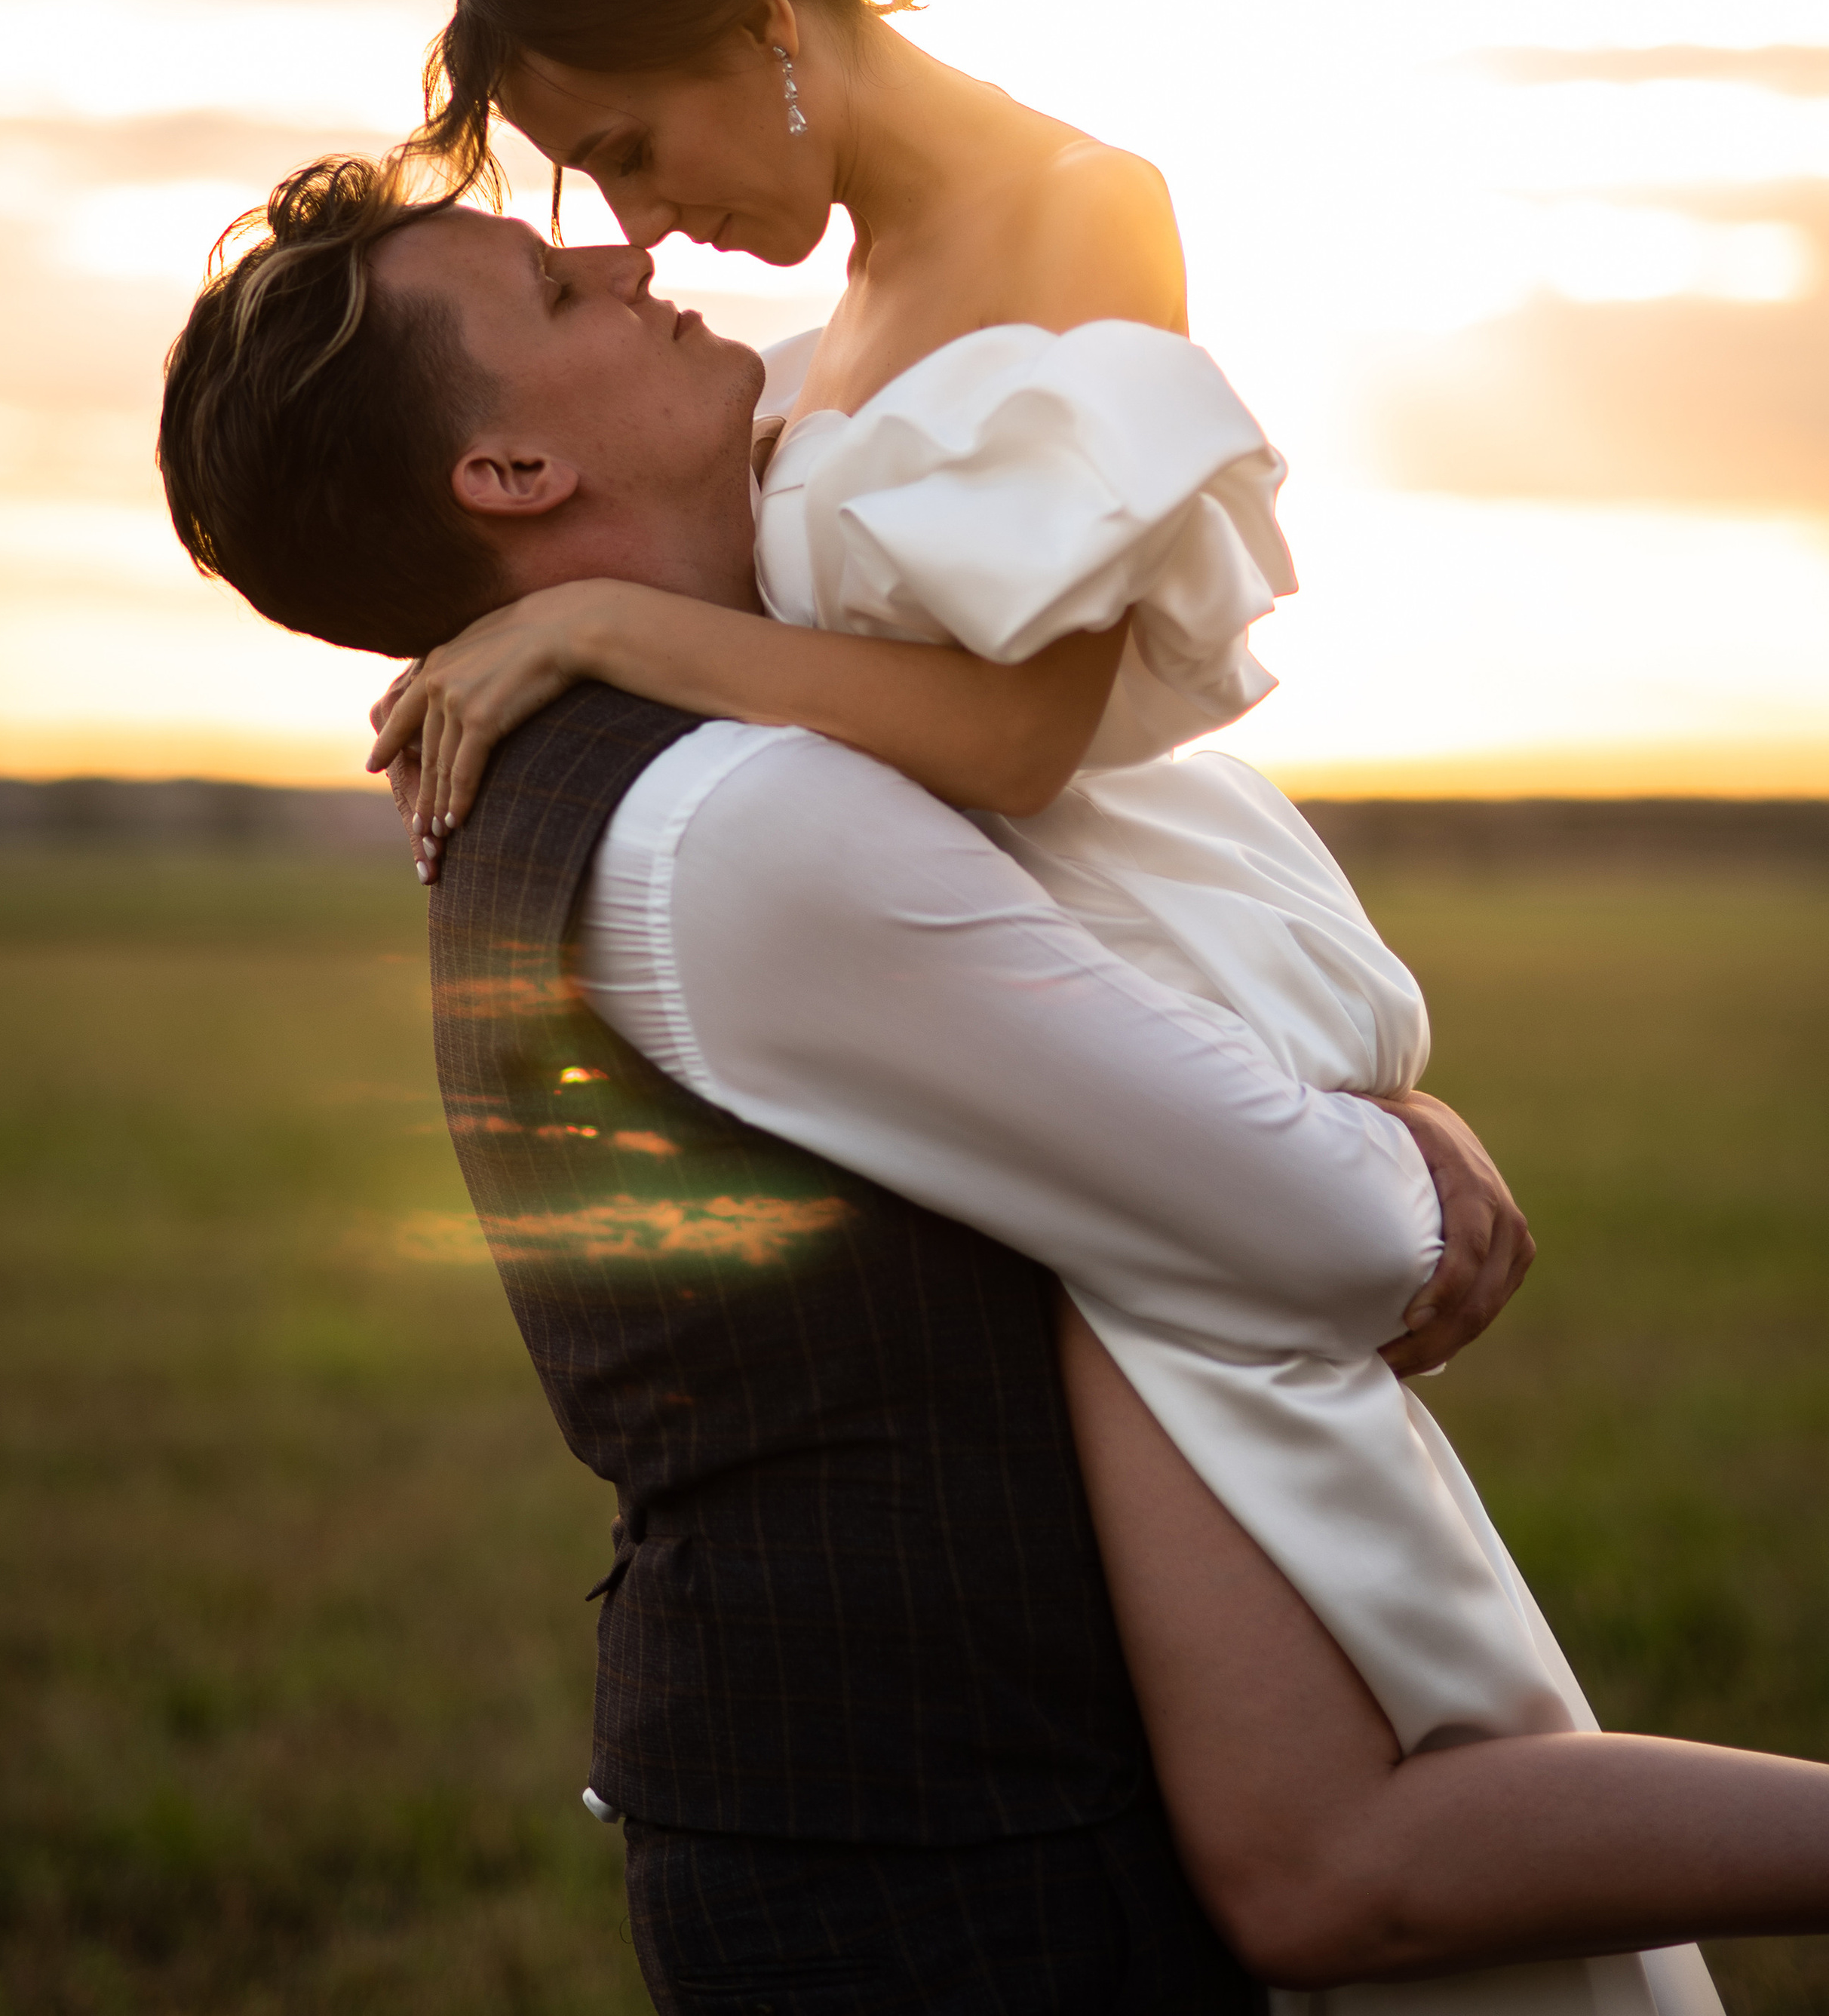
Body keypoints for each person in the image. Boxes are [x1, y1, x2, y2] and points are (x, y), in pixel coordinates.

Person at [157, 163, 1829, 2011]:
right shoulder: (739, 825)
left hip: (877, 1813)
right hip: (948, 1882)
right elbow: (1350, 1242)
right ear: (509, 478)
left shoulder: (641, 757)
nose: (622, 248)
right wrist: (1409, 1129)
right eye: (552, 295)